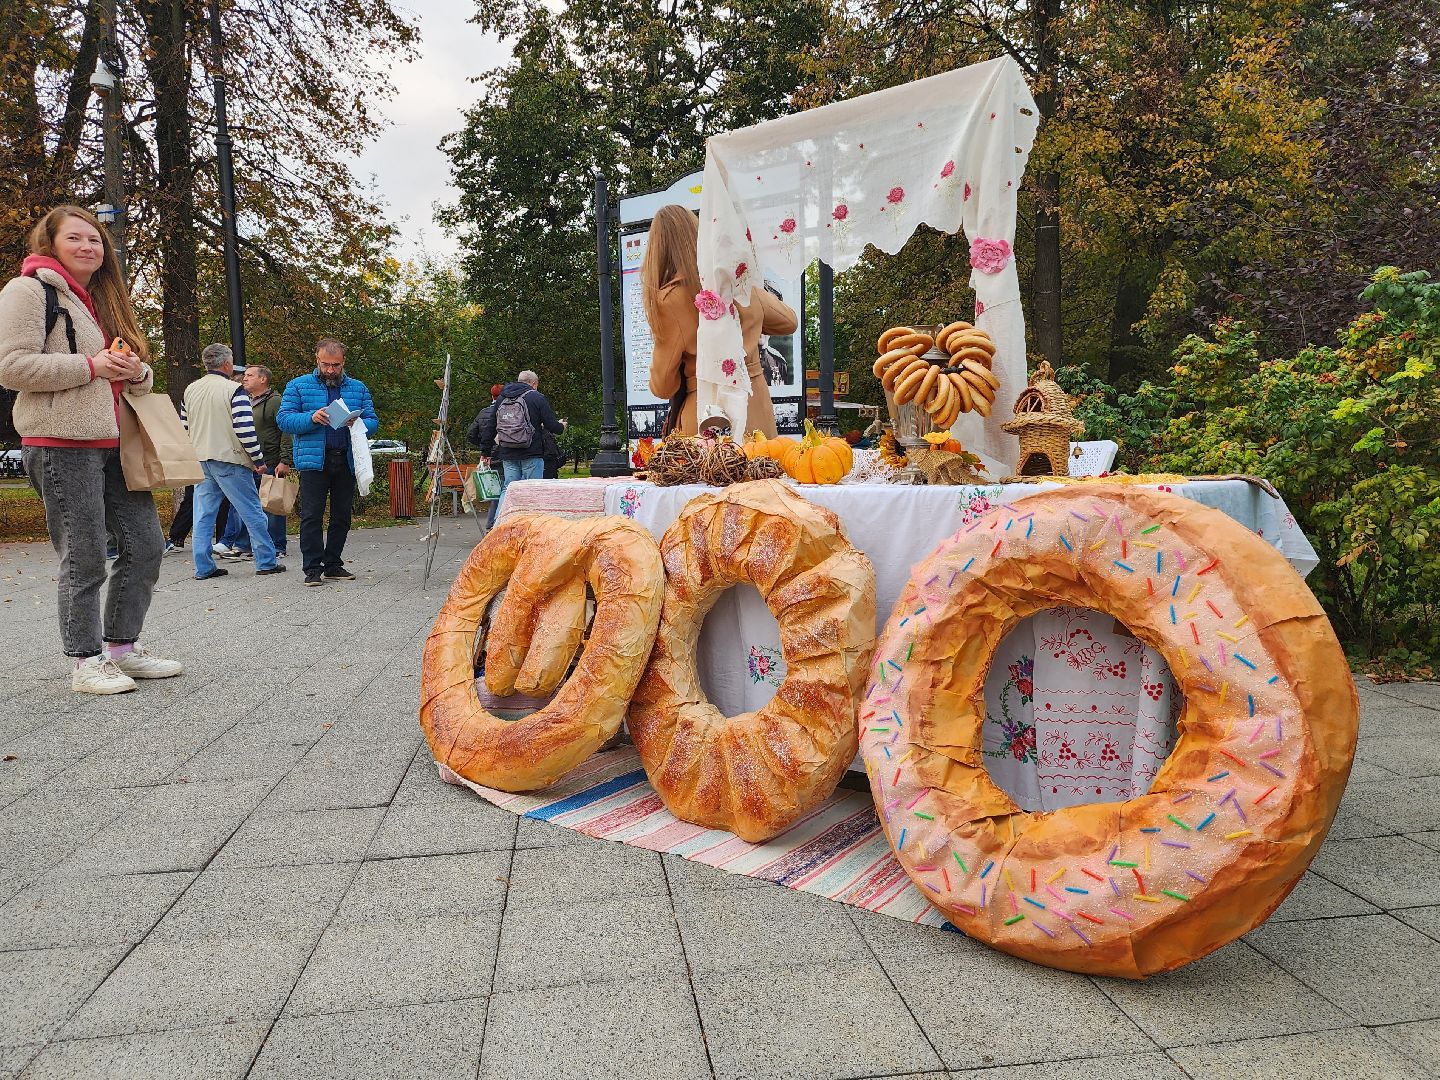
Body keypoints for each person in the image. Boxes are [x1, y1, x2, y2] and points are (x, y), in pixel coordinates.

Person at [0, 204, 182, 694]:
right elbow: (10, 367)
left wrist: (136, 371)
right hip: (61, 443)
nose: (88, 247)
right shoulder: (27, 291)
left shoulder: (103, 299)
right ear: (50, 243)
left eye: (96, 240)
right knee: (84, 557)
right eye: (76, 238)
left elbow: (130, 372)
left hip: (116, 443)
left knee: (145, 546)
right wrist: (91, 366)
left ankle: (121, 649)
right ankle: (85, 661)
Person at [642, 204, 797, 437]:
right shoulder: (736, 279)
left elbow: (663, 386)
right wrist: (749, 319)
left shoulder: (671, 299)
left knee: (709, 473)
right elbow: (788, 321)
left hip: (705, 416)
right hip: (756, 413)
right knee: (763, 471)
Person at [276, 338, 378, 586]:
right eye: (326, 365)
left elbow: (373, 421)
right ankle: (312, 568)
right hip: (313, 461)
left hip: (346, 459)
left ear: (343, 363)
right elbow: (284, 420)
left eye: (336, 365)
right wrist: (311, 418)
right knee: (311, 515)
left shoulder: (358, 388)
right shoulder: (298, 386)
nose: (331, 370)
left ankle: (333, 564)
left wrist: (360, 423)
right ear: (317, 360)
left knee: (342, 515)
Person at [182, 344, 284, 580]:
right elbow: (245, 429)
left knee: (203, 514)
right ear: (227, 364)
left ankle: (203, 566)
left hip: (201, 459)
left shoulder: (191, 389)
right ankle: (266, 560)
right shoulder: (234, 390)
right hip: (230, 459)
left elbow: (184, 427)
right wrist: (258, 459)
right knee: (252, 510)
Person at [474, 370, 565, 513]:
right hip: (531, 452)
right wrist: (561, 426)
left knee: (508, 489)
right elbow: (552, 426)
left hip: (508, 452)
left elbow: (491, 427)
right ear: (533, 384)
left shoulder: (501, 398)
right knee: (533, 490)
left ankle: (500, 523)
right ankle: (531, 524)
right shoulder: (536, 397)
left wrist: (485, 452)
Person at [466, 384, 503, 526]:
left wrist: (483, 446)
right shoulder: (505, 411)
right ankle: (494, 522)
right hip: (503, 455)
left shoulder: (483, 412)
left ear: (491, 396)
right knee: (505, 489)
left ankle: (491, 522)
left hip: (488, 457)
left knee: (495, 491)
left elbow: (471, 434)